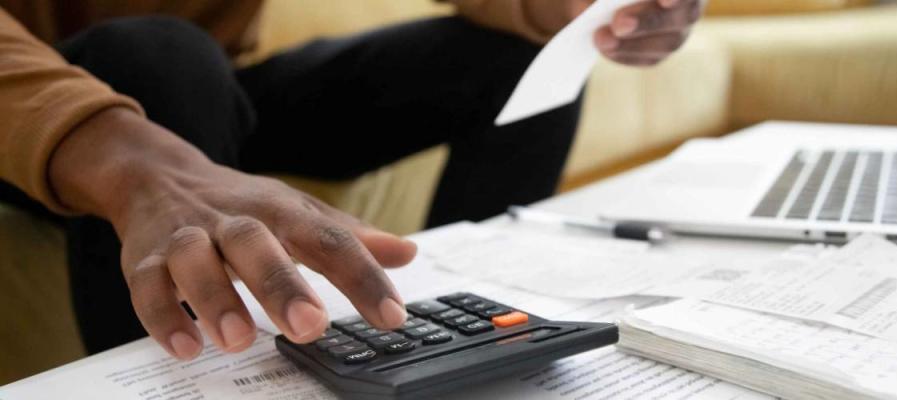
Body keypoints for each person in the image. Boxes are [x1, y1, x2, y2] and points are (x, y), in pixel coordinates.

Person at [0, 0, 702, 360]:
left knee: (508, 58)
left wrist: (573, 8)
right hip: (30, 114)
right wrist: (119, 152)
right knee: (155, 56)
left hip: (213, 86)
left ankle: (471, 337)